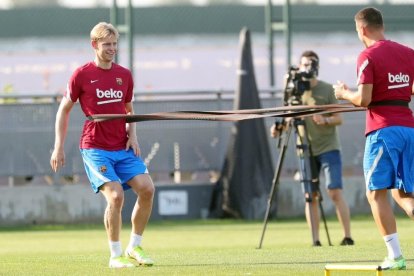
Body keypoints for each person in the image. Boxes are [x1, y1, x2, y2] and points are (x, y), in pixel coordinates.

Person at [50, 22, 155, 269]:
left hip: (122, 146)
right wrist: (58, 146)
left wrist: (133, 135)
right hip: (95, 148)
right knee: (116, 196)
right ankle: (115, 255)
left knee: (147, 189)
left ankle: (134, 247)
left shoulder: (124, 75)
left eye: (115, 44)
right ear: (94, 45)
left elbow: (129, 110)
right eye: (107, 44)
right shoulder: (81, 75)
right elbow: (63, 111)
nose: (112, 49)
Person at [334, 7, 414, 270]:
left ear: (362, 29)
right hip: (408, 128)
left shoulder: (367, 56)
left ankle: (395, 256)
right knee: (401, 193)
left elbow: (364, 99)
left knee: (375, 193)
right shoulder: (408, 53)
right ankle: (396, 256)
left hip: (383, 130)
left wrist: (344, 93)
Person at [271, 50, 354, 247]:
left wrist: (324, 119)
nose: (306, 69)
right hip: (304, 149)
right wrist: (279, 127)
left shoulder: (326, 89)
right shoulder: (294, 92)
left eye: (310, 64)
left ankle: (347, 236)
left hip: (328, 147)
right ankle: (315, 240)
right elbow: (286, 116)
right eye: (303, 65)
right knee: (311, 195)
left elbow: (339, 118)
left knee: (334, 191)